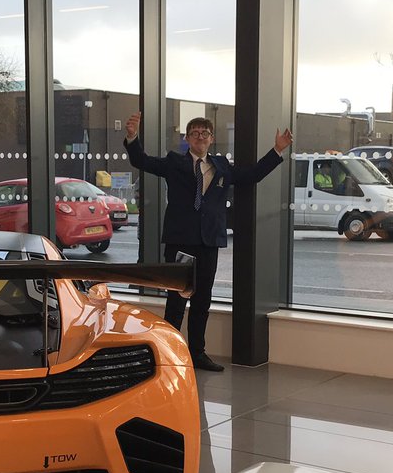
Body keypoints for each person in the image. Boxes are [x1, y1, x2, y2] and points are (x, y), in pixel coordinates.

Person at [124, 113, 293, 372]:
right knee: (177, 300)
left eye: (205, 133)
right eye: (195, 133)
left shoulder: (222, 166)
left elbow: (253, 175)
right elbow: (140, 160)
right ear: (187, 138)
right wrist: (132, 137)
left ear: (212, 139)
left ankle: (197, 353)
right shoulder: (174, 162)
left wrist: (277, 150)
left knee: (202, 299)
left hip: (208, 241)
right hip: (180, 241)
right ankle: (170, 353)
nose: (200, 137)